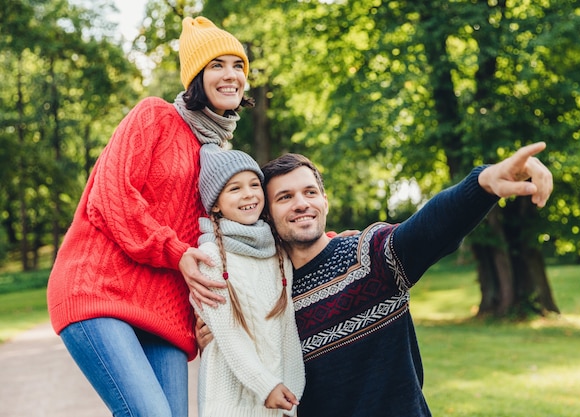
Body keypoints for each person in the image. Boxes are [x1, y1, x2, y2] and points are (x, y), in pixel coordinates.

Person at [197, 141, 552, 416]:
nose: (301, 203)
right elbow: (237, 345)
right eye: (285, 197)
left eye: (309, 192)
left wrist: (483, 184)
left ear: (325, 200)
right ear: (268, 215)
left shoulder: (369, 255)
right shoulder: (270, 289)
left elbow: (428, 229)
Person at [46, 16, 252, 417]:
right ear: (195, 76)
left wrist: (327, 241)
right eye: (217, 65)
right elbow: (111, 197)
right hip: (99, 291)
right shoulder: (155, 117)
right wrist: (175, 251)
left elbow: (244, 230)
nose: (231, 75)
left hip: (166, 311)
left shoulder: (220, 158)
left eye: (238, 65)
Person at [191, 144, 305, 417]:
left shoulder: (277, 253)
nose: (249, 194)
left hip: (278, 401)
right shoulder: (210, 258)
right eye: (234, 188)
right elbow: (229, 336)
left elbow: (286, 325)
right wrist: (266, 386)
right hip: (229, 401)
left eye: (254, 184)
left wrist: (293, 388)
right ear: (215, 204)